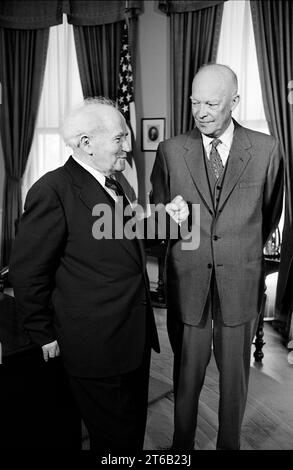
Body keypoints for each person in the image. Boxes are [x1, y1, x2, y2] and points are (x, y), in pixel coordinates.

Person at [8, 98, 188, 453]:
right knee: (115, 441)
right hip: (94, 348)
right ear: (86, 144)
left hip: (131, 340)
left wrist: (170, 219)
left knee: (129, 434)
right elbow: (28, 271)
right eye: (120, 138)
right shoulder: (52, 190)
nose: (128, 145)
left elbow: (123, 237)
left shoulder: (114, 182)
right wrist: (43, 333)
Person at [150, 64, 284, 450]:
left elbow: (269, 214)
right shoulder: (171, 150)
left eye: (211, 103)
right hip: (188, 279)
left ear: (235, 102)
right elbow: (160, 218)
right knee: (186, 374)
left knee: (234, 376)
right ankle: (181, 449)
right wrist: (166, 218)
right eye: (194, 102)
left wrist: (237, 247)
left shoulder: (267, 148)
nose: (201, 111)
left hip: (240, 280)